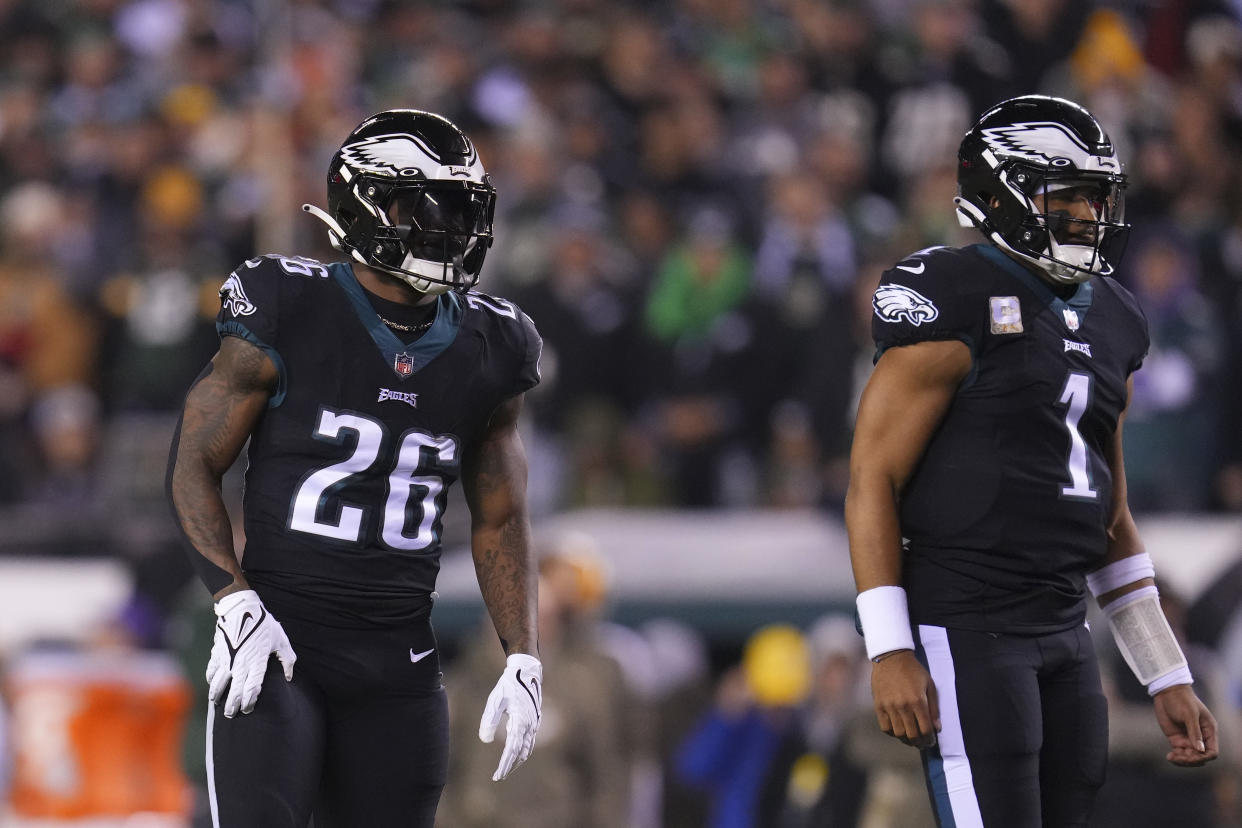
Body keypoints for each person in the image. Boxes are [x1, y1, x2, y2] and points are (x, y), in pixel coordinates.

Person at [845, 95, 1219, 828]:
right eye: (1067, 194)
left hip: (1064, 627)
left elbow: (1107, 511)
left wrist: (1164, 670)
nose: (1086, 213)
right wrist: (889, 647)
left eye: (1094, 196)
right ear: (1000, 193)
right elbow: (870, 482)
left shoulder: (1115, 315)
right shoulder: (953, 296)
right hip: (967, 626)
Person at [167, 110, 544, 828]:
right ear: (362, 201)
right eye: (423, 204)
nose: (447, 226)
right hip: (279, 645)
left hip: (399, 665)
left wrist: (523, 655)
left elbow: (503, 516)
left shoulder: (492, 344)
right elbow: (193, 462)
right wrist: (233, 599)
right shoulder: (289, 303)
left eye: (461, 208)